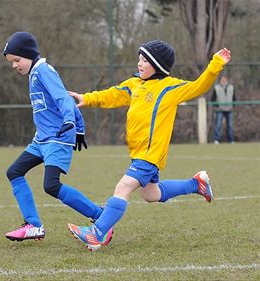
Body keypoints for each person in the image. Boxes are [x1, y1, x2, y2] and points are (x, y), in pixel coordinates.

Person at [67, 40, 231, 251]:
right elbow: (112, 94)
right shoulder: (134, 84)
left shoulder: (170, 87)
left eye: (145, 60)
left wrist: (216, 63)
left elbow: (200, 85)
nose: (139, 63)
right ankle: (196, 184)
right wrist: (86, 98)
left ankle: (97, 232)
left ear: (158, 64)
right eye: (139, 59)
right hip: (138, 153)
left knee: (123, 187)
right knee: (151, 194)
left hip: (150, 154)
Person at [2, 31, 113, 243]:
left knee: (51, 185)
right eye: (11, 62)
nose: (15, 65)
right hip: (41, 140)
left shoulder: (44, 70)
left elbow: (63, 98)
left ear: (29, 54)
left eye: (17, 60)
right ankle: (33, 225)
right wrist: (79, 127)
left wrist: (71, 123)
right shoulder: (34, 73)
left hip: (57, 137)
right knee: (14, 172)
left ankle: (101, 218)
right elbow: (65, 97)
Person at [211, 75, 236, 144]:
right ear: (220, 81)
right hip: (220, 110)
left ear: (227, 80)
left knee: (230, 126)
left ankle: (231, 140)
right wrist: (217, 105)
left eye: (225, 80)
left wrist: (233, 106)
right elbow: (212, 99)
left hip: (229, 109)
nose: (224, 81)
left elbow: (234, 98)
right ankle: (216, 140)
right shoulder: (216, 88)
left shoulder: (231, 87)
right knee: (218, 125)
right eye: (222, 80)